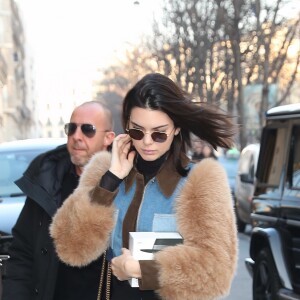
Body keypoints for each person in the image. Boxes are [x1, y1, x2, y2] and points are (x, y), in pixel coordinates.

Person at [50, 73, 238, 300]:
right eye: (137, 131)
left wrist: (140, 270)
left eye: (159, 133)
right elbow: (70, 247)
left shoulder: (201, 181)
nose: (147, 142)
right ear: (126, 126)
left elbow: (217, 272)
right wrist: (110, 181)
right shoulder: (103, 170)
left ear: (176, 128)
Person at [2, 101, 115, 300]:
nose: (76, 136)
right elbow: (22, 253)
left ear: (108, 137)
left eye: (88, 129)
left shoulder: (124, 181)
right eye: (71, 128)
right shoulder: (47, 181)